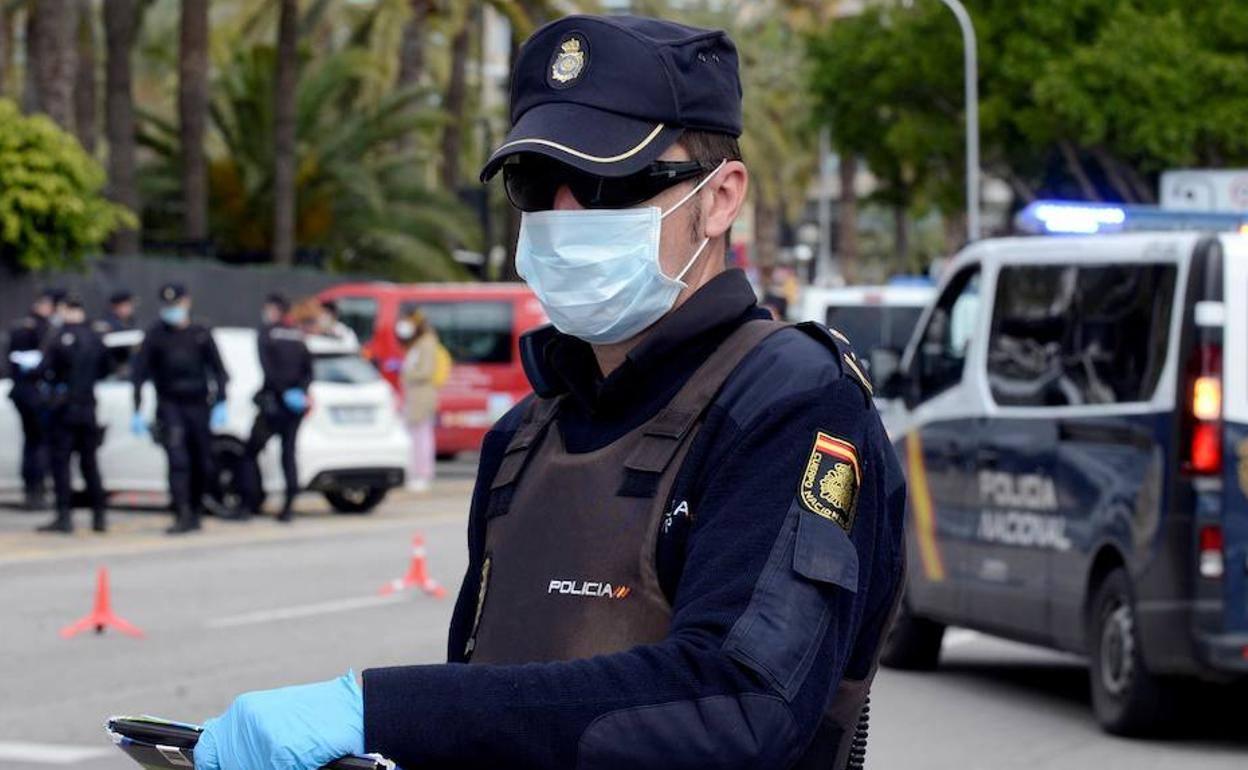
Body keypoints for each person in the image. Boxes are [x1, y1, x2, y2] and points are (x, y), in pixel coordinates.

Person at [194, 15, 905, 770]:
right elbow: (492, 700)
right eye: (535, 182)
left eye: (606, 182)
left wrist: (380, 713)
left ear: (720, 198)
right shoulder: (523, 437)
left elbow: (739, 704)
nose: (565, 216)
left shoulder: (793, 402)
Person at [130, 283, 232, 534]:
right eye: (167, 305)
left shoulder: (200, 333)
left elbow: (219, 371)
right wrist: (137, 408)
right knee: (178, 461)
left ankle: (195, 510)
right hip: (170, 405)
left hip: (199, 406)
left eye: (175, 305)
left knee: (202, 462)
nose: (171, 310)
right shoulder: (155, 334)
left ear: (186, 302)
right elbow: (139, 374)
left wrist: (221, 400)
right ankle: (181, 512)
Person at [34, 295, 110, 534]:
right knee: (90, 464)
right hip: (88, 407)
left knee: (61, 464)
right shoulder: (96, 337)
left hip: (64, 409)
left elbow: (43, 369)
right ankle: (99, 517)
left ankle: (64, 517)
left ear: (65, 310)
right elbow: (106, 369)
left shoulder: (58, 337)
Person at [238, 294, 313, 522]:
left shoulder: (267, 333)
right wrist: (299, 391)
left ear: (275, 310)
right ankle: (289, 506)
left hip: (274, 403)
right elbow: (308, 370)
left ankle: (249, 502)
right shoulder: (298, 335)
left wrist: (281, 392)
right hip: (294, 405)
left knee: (250, 452)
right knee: (288, 454)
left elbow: (268, 369)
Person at [5, 290, 56, 510]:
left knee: (31, 443)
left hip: (23, 393)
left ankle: (32, 490)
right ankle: (36, 490)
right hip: (34, 394)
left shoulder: (22, 327)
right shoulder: (42, 329)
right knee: (39, 443)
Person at [396, 310, 438, 493]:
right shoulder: (419, 343)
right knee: (415, 436)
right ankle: (416, 473)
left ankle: (423, 474)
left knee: (421, 437)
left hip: (421, 395)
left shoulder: (427, 343)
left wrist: (406, 373)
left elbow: (426, 371)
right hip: (414, 395)